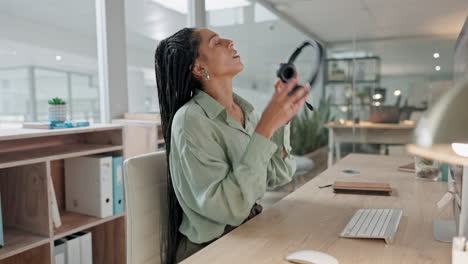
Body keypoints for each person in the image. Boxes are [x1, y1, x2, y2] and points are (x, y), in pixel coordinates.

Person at [154, 27, 310, 264]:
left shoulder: (246, 113)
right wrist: (266, 128)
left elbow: (279, 175)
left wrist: (282, 119)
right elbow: (229, 208)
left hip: (251, 232)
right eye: (216, 43)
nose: (230, 42)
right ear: (199, 68)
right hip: (213, 250)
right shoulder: (191, 120)